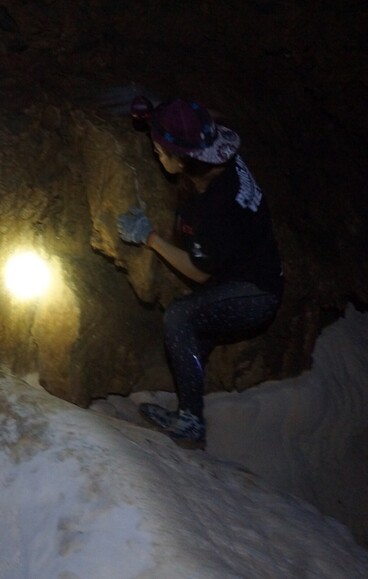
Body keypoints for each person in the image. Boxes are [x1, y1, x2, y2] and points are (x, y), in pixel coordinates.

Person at [117, 98, 283, 448]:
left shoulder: (215, 210)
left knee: (181, 318)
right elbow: (184, 118)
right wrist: (150, 116)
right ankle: (186, 404)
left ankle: (191, 423)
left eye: (162, 153)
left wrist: (150, 238)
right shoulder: (216, 147)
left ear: (184, 161)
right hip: (255, 265)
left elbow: (198, 272)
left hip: (255, 293)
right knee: (194, 336)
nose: (158, 157)